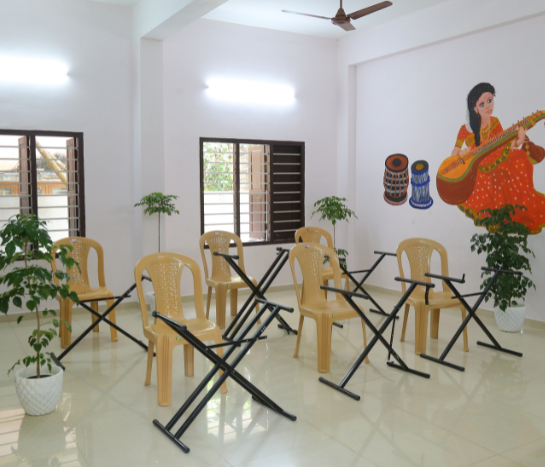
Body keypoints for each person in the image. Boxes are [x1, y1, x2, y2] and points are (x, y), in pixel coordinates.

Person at [452, 82, 545, 233]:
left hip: (498, 158)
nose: (488, 106)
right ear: (475, 108)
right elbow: (454, 152)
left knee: (521, 159)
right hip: (478, 165)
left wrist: (519, 139)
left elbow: (506, 143)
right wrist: (461, 152)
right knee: (496, 177)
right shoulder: (465, 129)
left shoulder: (495, 122)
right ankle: (498, 219)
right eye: (482, 104)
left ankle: (518, 210)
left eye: (490, 100)